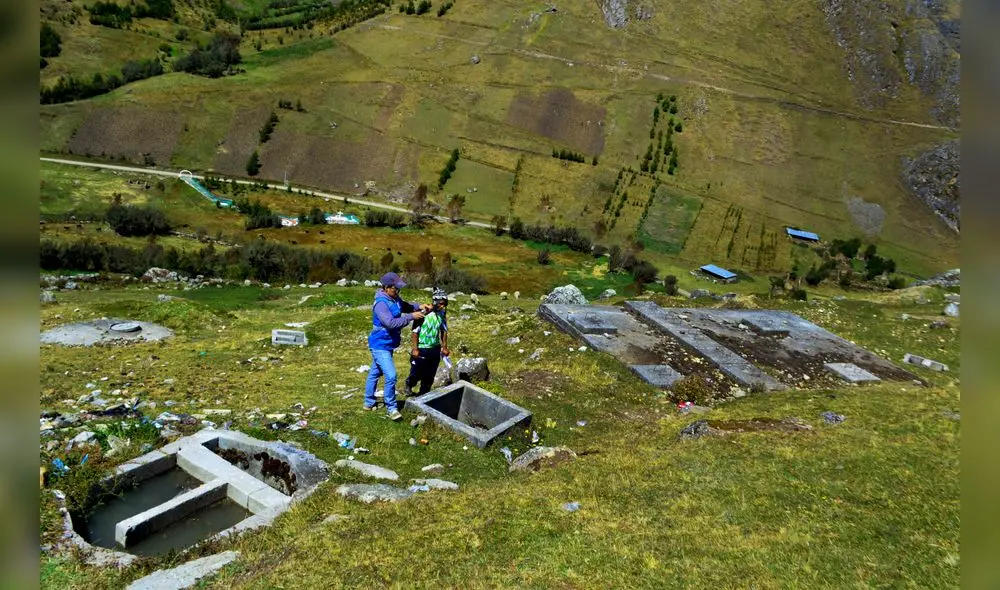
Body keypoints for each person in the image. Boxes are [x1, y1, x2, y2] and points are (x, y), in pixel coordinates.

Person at [364, 272, 431, 421]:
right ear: (386, 287)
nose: (398, 291)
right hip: (380, 344)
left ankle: (368, 402)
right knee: (391, 375)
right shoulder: (381, 304)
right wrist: (410, 317)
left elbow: (405, 305)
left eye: (399, 288)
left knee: (375, 372)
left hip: (388, 343)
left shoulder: (394, 298)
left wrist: (418, 306)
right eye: (395, 288)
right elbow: (390, 323)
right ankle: (391, 408)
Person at [405, 288, 450, 396]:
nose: (443, 306)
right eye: (441, 304)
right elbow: (415, 332)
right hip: (422, 348)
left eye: (445, 304)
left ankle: (424, 394)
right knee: (417, 372)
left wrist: (444, 347)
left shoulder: (442, 313)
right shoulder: (423, 313)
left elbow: (443, 330)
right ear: (435, 302)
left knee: (430, 374)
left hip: (435, 348)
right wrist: (415, 349)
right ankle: (409, 384)